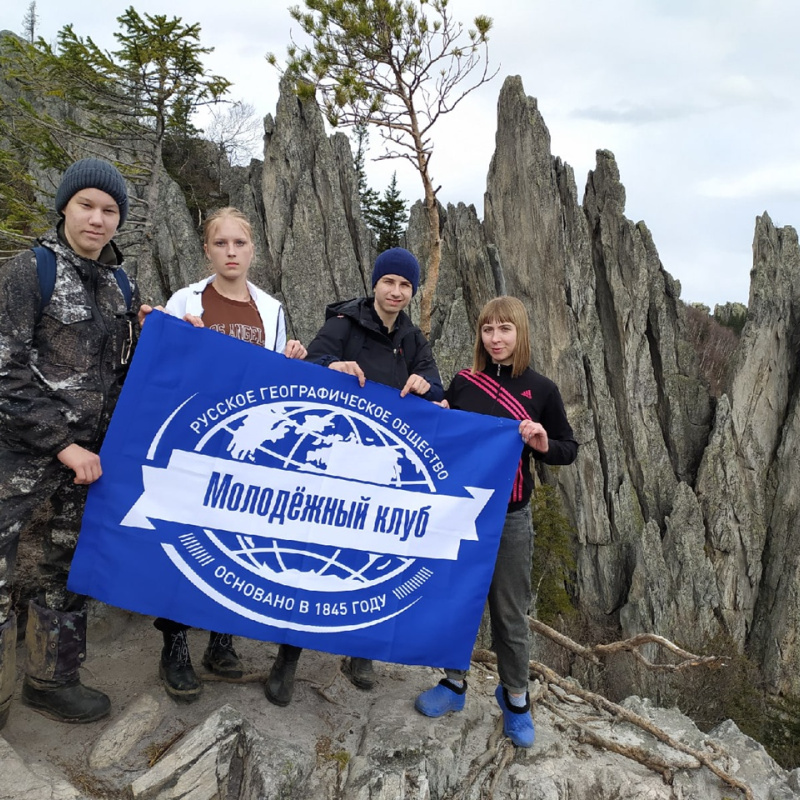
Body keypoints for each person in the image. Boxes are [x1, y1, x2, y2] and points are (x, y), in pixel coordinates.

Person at [264, 246, 444, 707]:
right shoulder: (344, 322)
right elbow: (311, 365)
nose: (397, 292)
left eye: (406, 285)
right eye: (390, 282)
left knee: (375, 560)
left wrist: (428, 388)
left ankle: (361, 650)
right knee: (311, 556)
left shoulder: (414, 340)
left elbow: (436, 390)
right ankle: (288, 656)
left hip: (383, 472)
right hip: (334, 464)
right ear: (375, 282)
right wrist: (332, 366)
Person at [147, 206, 306, 703]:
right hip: (195, 442)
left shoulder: (272, 309)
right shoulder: (186, 300)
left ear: (253, 250)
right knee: (183, 539)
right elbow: (164, 367)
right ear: (207, 250)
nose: (231, 252)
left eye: (240, 244)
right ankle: (174, 644)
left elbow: (274, 383)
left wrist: (293, 361)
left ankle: (220, 639)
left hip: (246, 447)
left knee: (231, 543)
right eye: (221, 244)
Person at [0, 157, 137, 727]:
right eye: (87, 205)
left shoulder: (120, 283)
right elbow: (4, 373)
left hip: (87, 465)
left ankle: (51, 681)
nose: (98, 219)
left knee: (68, 570)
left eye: (110, 211)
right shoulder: (28, 271)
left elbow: (125, 368)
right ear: (64, 207)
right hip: (19, 459)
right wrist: (62, 444)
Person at [413, 296, 577, 748]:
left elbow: (568, 447)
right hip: (460, 512)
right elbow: (441, 436)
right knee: (458, 600)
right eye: (488, 330)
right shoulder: (465, 384)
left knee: (509, 612)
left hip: (510, 517)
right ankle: (453, 684)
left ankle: (516, 698)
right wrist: (435, 407)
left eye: (505, 329)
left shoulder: (541, 390)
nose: (496, 338)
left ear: (520, 333)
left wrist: (542, 443)